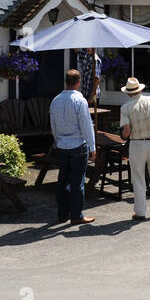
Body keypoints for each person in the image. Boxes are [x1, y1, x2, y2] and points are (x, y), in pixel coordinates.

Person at [48, 69, 96, 224]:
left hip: (62, 145)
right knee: (77, 182)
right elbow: (86, 126)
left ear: (66, 81)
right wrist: (92, 146)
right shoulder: (80, 101)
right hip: (77, 145)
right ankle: (76, 215)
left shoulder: (55, 100)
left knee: (62, 180)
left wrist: (57, 140)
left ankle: (62, 214)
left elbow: (53, 125)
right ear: (78, 82)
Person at [120, 77, 150, 220]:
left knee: (138, 178)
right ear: (140, 89)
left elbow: (126, 131)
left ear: (128, 93)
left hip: (137, 144)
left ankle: (140, 212)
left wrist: (122, 134)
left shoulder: (125, 108)